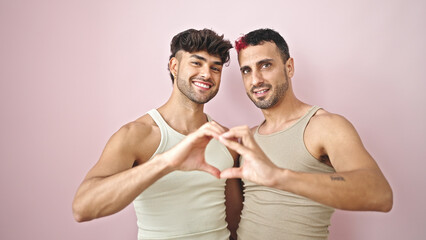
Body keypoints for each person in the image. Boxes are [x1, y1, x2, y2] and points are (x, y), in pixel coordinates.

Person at [218, 28, 393, 239]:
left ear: (289, 67)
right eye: (246, 70)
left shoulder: (324, 126)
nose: (255, 80)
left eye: (265, 65)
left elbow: (379, 193)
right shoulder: (249, 139)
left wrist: (279, 176)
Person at [72, 28, 242, 240]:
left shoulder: (227, 140)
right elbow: (82, 208)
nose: (207, 74)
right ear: (174, 66)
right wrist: (166, 162)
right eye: (196, 63)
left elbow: (234, 222)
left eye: (215, 68)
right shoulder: (137, 135)